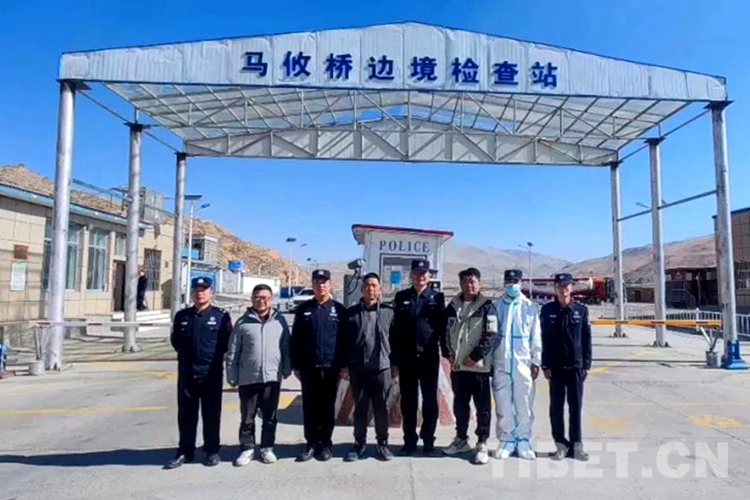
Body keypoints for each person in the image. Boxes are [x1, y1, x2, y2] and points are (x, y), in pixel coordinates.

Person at [165, 277, 232, 469]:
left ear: (211, 293)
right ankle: (185, 451)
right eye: (196, 290)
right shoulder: (182, 316)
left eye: (204, 290)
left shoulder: (221, 316)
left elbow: (226, 343)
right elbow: (176, 341)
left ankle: (212, 450)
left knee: (211, 414)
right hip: (187, 374)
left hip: (211, 373)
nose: (200, 293)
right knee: (186, 415)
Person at [226, 284, 291, 466]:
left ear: (271, 300)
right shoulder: (242, 323)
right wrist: (231, 373)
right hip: (248, 377)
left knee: (270, 416)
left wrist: (287, 368)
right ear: (252, 299)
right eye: (258, 297)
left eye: (265, 298)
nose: (261, 301)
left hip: (271, 377)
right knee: (248, 417)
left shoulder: (279, 321)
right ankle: (247, 448)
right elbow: (233, 350)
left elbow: (285, 346)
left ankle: (267, 448)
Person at [291, 269, 347, 462]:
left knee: (327, 408)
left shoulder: (339, 310)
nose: (320, 285)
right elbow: (295, 339)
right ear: (313, 285)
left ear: (330, 285)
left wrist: (344, 365)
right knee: (309, 408)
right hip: (308, 368)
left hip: (331, 368)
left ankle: (325, 444)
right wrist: (296, 365)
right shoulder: (304, 309)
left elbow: (344, 341)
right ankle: (311, 444)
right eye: (317, 282)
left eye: (324, 282)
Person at [442, 267, 497, 465]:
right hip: (458, 367)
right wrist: (447, 353)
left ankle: (482, 442)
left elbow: (491, 335)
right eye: (465, 281)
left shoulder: (487, 306)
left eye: (472, 281)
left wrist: (475, 356)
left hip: (479, 368)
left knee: (482, 407)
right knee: (460, 406)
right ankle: (461, 439)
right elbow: (444, 332)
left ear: (479, 283)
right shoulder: (453, 306)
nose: (469, 285)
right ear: (460, 284)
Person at [392, 259, 446, 456]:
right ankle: (409, 441)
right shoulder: (401, 297)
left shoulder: (437, 298)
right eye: (416, 273)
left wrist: (446, 352)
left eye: (423, 273)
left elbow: (442, 328)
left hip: (428, 358)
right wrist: (395, 359)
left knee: (430, 401)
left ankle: (429, 441)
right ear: (411, 275)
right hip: (407, 359)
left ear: (429, 276)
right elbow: (395, 330)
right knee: (408, 402)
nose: (420, 276)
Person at [341, 273, 396, 462]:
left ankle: (382, 444)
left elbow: (396, 340)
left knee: (382, 409)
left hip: (382, 368)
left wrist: (395, 365)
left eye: (374, 285)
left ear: (380, 289)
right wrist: (344, 365)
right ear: (362, 289)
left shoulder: (389, 312)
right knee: (360, 408)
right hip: (358, 369)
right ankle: (359, 444)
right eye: (367, 285)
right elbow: (344, 342)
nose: (370, 289)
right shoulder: (351, 313)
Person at [540, 273, 592, 461]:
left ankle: (577, 446)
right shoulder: (547, 310)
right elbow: (543, 339)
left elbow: (586, 339)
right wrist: (545, 363)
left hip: (575, 366)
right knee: (556, 408)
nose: (563, 289)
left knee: (575, 407)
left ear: (572, 287)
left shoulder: (581, 310)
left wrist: (586, 364)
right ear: (555, 288)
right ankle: (560, 445)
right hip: (555, 367)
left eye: (566, 285)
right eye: (560, 286)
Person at [492, 269, 542, 460]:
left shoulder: (530, 307)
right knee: (503, 403)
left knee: (524, 401)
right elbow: (491, 335)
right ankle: (507, 440)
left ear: (521, 283)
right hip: (501, 363)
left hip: (523, 362)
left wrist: (536, 360)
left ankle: (523, 440)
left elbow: (536, 335)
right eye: (508, 281)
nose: (512, 284)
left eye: (515, 281)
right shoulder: (496, 306)